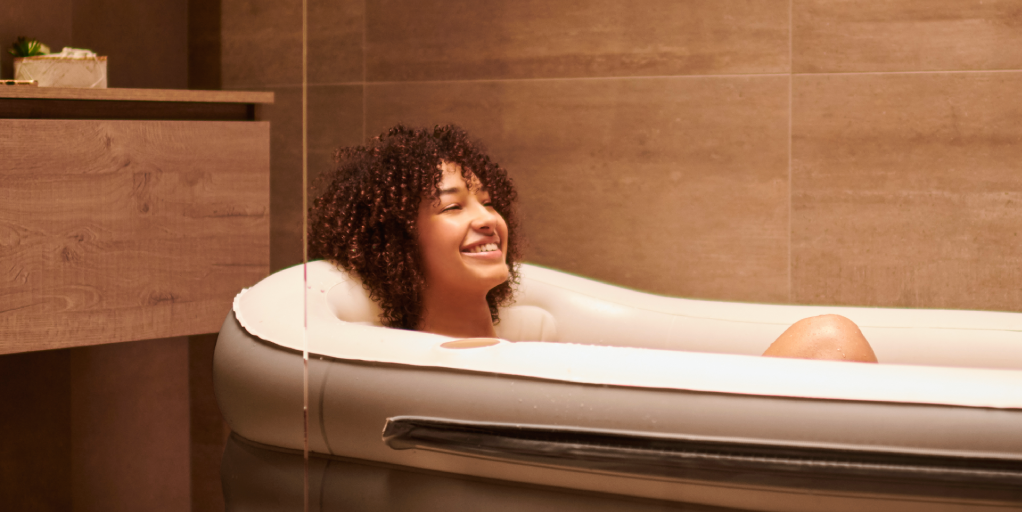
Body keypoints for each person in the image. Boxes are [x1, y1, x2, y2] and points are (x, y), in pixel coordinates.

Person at [308, 124, 876, 363]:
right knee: (828, 340)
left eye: (487, 200)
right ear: (395, 245)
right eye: (453, 206)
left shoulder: (525, 345)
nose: (486, 220)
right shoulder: (421, 364)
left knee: (828, 339)